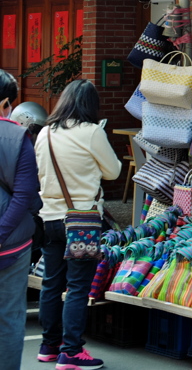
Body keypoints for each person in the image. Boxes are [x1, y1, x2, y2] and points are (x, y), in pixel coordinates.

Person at [35, 80, 120, 370]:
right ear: (90, 105)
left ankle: (49, 346)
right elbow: (113, 171)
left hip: (49, 219)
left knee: (50, 284)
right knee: (77, 288)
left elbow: (39, 172)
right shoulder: (93, 132)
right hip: (82, 221)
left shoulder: (45, 132)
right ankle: (71, 352)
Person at [0, 70, 41, 370]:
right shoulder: (17, 137)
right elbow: (24, 195)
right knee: (9, 317)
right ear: (5, 103)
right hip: (11, 248)